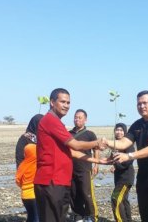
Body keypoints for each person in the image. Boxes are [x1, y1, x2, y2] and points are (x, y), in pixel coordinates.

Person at [34, 88, 107, 222]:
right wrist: (97, 142)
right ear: (52, 102)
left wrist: (99, 161)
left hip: (59, 181)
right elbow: (76, 145)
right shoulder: (51, 120)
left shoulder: (57, 123)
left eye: (68, 102)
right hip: (51, 182)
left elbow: (72, 152)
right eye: (62, 102)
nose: (66, 106)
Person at [104, 90, 148, 222]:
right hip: (143, 178)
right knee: (147, 216)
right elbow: (125, 141)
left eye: (144, 103)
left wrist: (129, 156)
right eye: (138, 104)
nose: (141, 106)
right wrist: (107, 142)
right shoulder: (137, 124)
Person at [69, 109, 100, 222]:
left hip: (85, 168)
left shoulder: (90, 134)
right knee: (73, 193)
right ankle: (78, 216)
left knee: (87, 193)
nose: (77, 119)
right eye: (75, 117)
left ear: (85, 120)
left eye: (80, 117)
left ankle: (91, 216)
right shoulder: (68, 134)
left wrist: (96, 164)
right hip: (70, 169)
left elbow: (96, 150)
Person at [15, 114, 43, 222]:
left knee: (35, 215)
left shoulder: (42, 139)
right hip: (29, 182)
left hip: (41, 181)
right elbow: (20, 161)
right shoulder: (24, 139)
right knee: (35, 215)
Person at [110, 123, 135, 222]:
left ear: (125, 132)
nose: (119, 132)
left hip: (126, 179)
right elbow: (114, 160)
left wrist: (116, 165)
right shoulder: (116, 144)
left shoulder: (128, 144)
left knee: (115, 198)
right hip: (119, 178)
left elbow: (128, 161)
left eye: (121, 130)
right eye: (117, 130)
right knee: (123, 200)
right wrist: (113, 165)